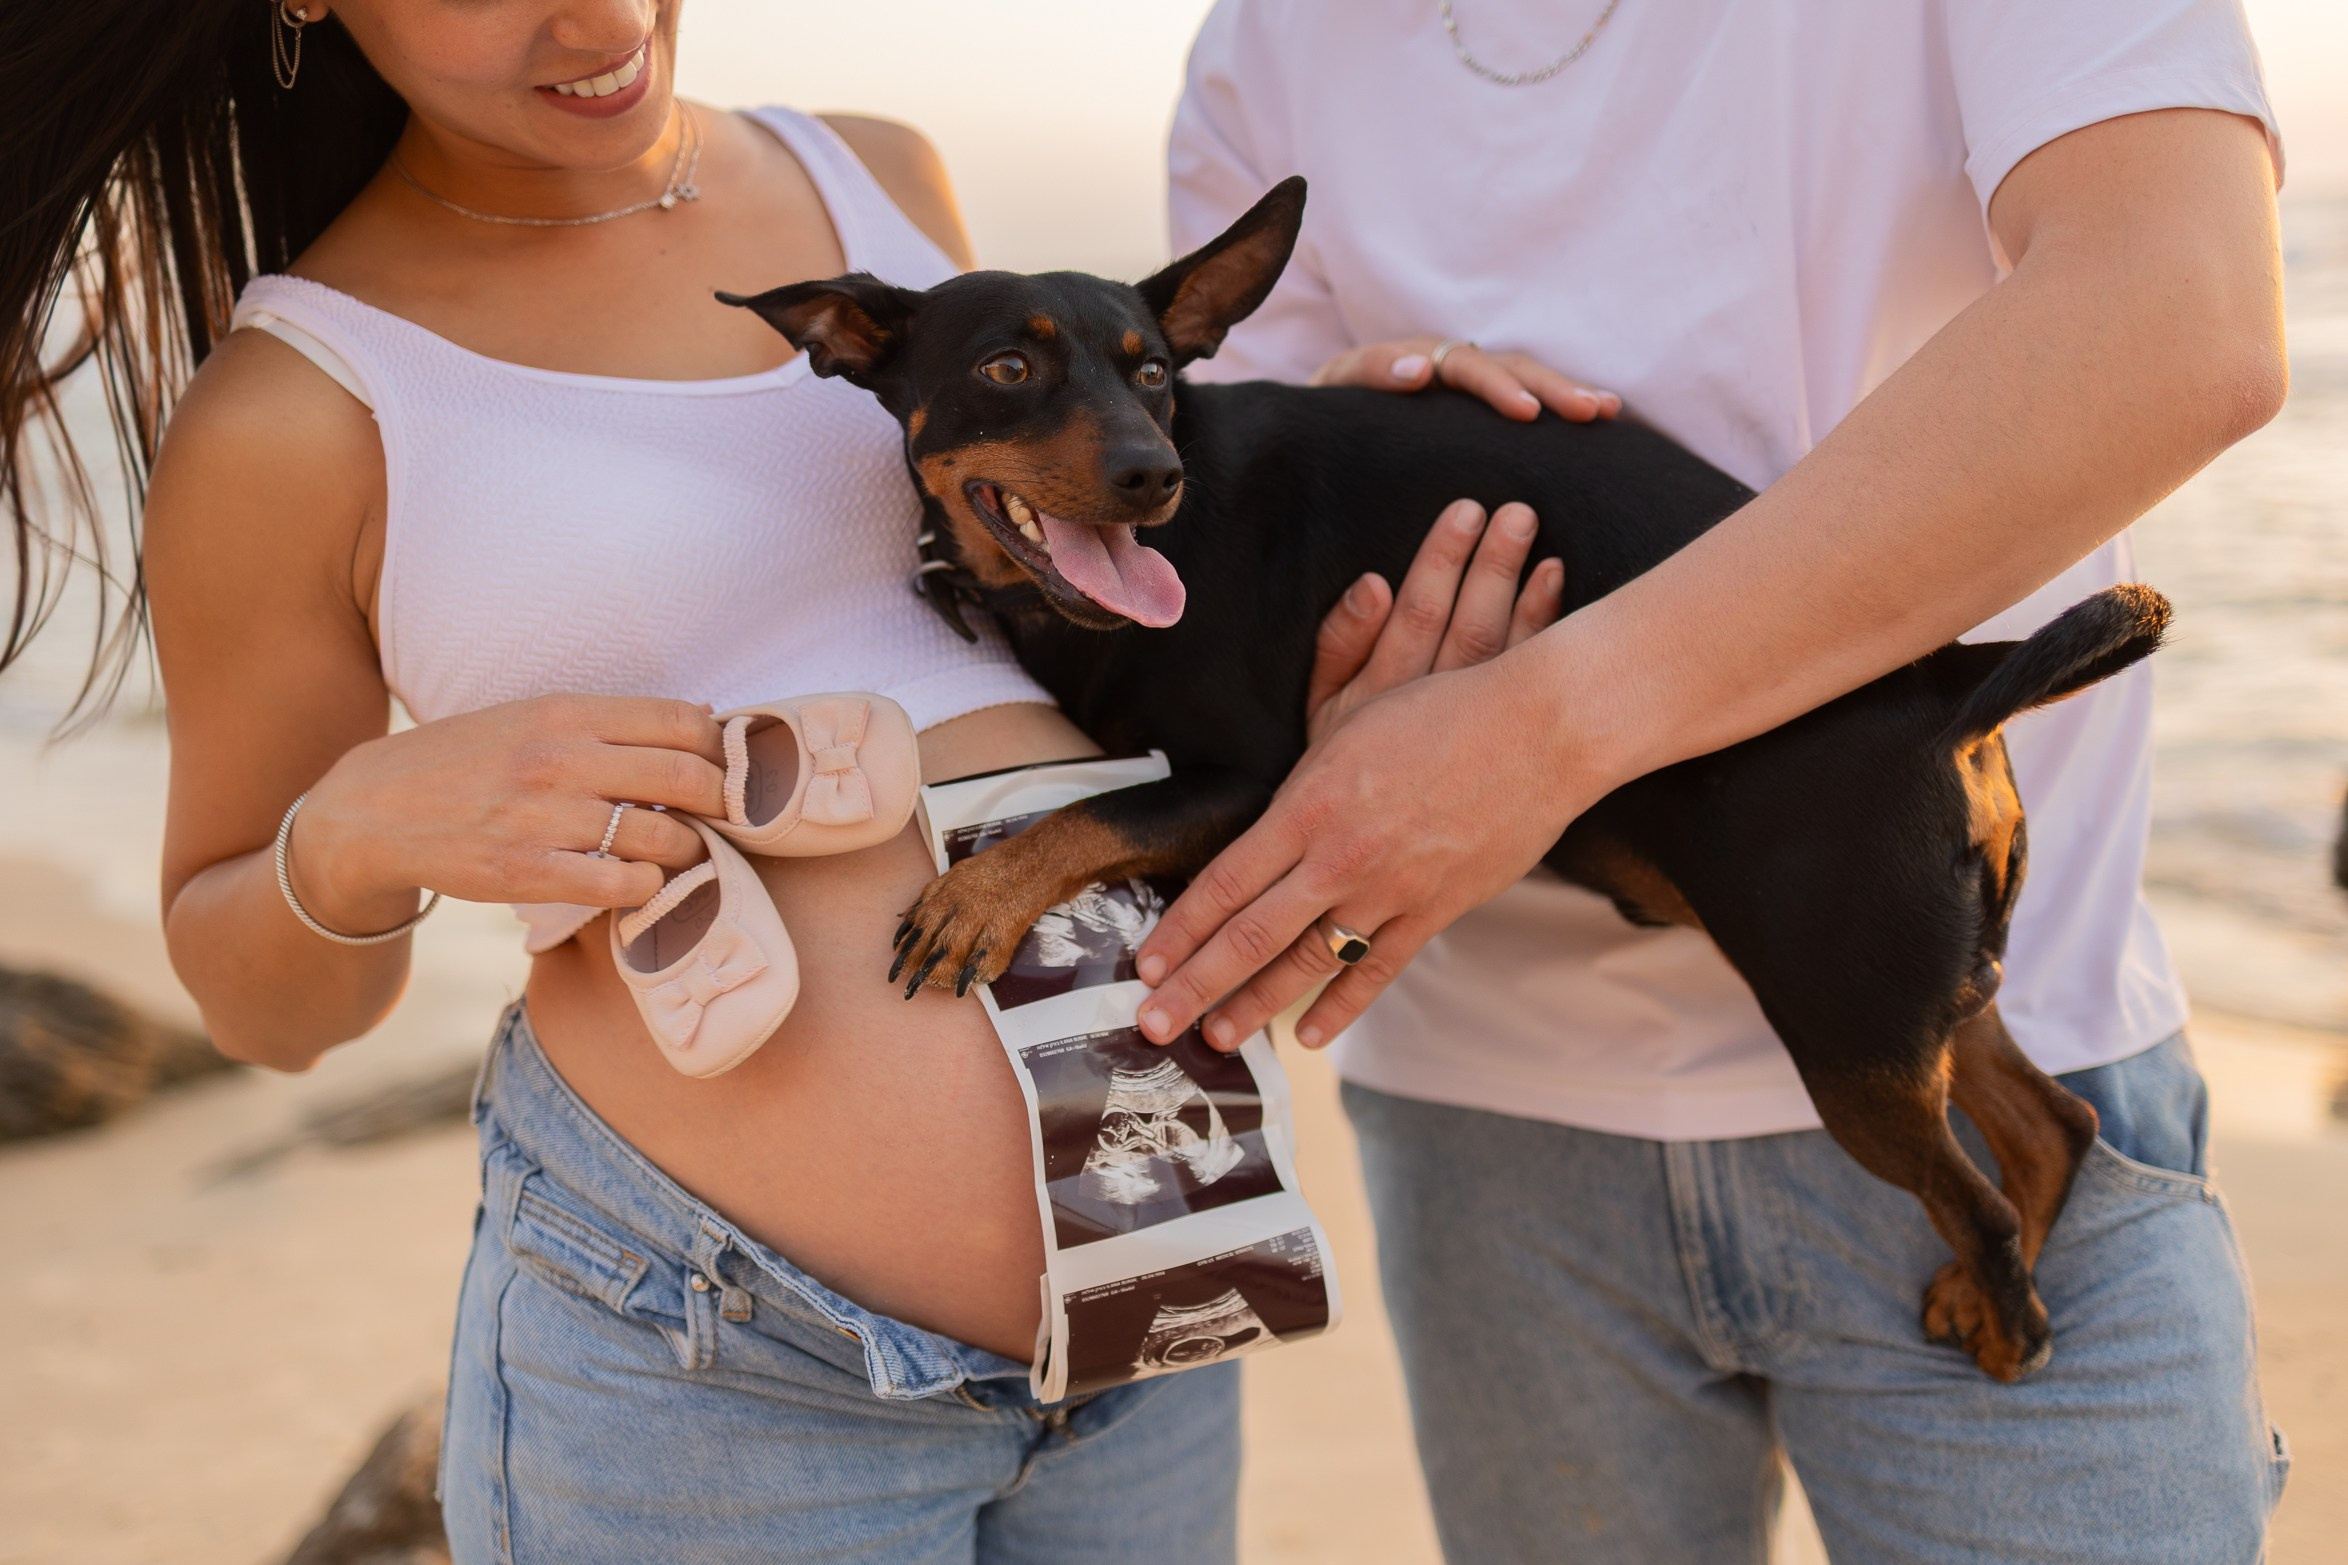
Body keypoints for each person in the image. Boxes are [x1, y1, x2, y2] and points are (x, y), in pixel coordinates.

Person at [2, 3, 1561, 1558]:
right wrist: (353, 835)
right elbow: (269, 1011)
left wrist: (1321, 468)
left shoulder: (882, 180)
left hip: (1158, 1292)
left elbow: (1064, 608)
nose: (598, 15)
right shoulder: (292, 405)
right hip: (727, 1375)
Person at [1137, 1, 2293, 1559]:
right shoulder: (1271, 38)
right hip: (1489, 1138)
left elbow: (2183, 312)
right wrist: (1352, 446)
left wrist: (1542, 727)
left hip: (1985, 1049)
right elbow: (1221, 546)